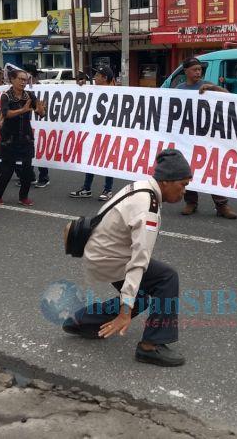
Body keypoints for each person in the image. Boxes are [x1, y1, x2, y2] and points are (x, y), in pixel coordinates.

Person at [63, 148, 192, 368]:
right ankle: (150, 347)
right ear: (167, 181)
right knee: (166, 278)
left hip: (99, 251)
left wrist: (128, 304)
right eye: (183, 185)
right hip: (108, 257)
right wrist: (125, 313)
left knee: (140, 298)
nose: (184, 193)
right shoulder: (148, 209)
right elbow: (138, 262)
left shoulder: (143, 186)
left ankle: (81, 321)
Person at [176, 58, 237, 219]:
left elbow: (230, 97)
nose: (198, 72)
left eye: (199, 69)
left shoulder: (207, 86)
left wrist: (213, 87)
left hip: (207, 136)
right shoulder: (179, 89)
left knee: (211, 169)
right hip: (187, 137)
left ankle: (221, 204)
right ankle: (191, 202)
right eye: (194, 69)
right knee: (187, 170)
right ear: (186, 71)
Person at [0, 69, 46, 206]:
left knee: (27, 170)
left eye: (25, 79)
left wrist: (40, 109)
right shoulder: (6, 96)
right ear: (12, 80)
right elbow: (6, 113)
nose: (23, 82)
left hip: (26, 137)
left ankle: (23, 197)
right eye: (20, 79)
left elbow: (41, 113)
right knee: (8, 170)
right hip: (9, 138)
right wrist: (22, 110)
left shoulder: (30, 95)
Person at [70, 66, 118, 201]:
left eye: (97, 75)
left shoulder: (117, 92)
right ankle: (86, 188)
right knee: (90, 158)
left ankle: (108, 189)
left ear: (105, 78)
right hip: (94, 132)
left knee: (107, 160)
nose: (95, 77)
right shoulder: (93, 89)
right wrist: (81, 87)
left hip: (109, 132)